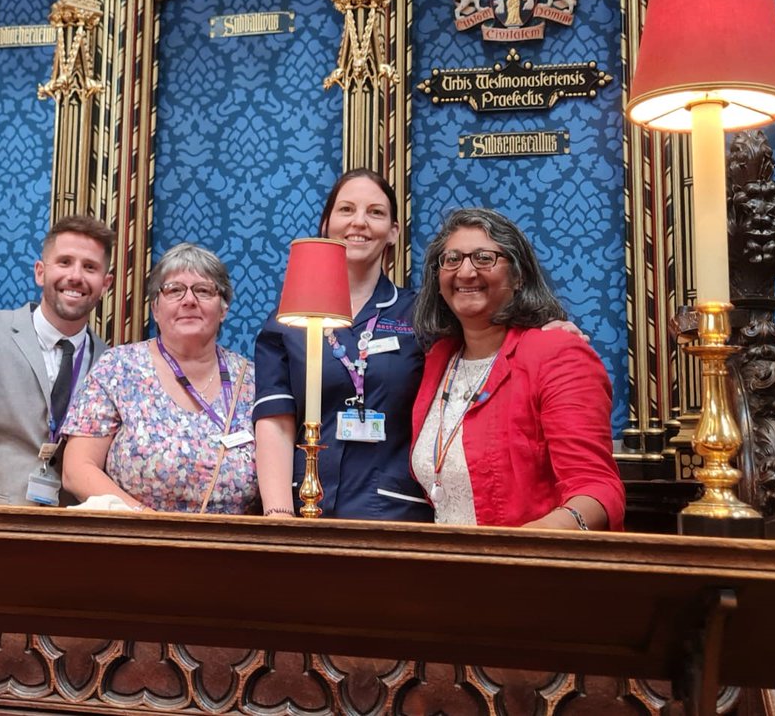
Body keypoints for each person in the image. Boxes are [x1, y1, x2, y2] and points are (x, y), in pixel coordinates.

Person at [409, 208, 624, 529]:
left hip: (530, 568)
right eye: (451, 259)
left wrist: (530, 541)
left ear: (519, 275)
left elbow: (597, 487)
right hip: (448, 567)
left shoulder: (558, 354)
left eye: (484, 258)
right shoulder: (437, 359)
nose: (465, 272)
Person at [253, 169, 432, 520]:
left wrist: (550, 325)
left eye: (376, 212)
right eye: (347, 210)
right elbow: (275, 421)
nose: (360, 222)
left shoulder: (422, 315)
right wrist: (279, 515)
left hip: (391, 512)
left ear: (394, 231)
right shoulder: (287, 322)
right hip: (304, 509)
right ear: (326, 224)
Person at [0, 215, 114, 506]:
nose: (75, 276)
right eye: (64, 262)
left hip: (70, 538)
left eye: (89, 267)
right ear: (40, 272)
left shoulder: (112, 364)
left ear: (105, 284)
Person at [61, 243, 257, 514]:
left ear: (223, 309)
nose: (189, 300)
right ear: (155, 308)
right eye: (175, 290)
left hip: (233, 548)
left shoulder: (252, 381)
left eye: (203, 290)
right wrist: (148, 522)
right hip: (137, 542)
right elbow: (77, 469)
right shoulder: (118, 368)